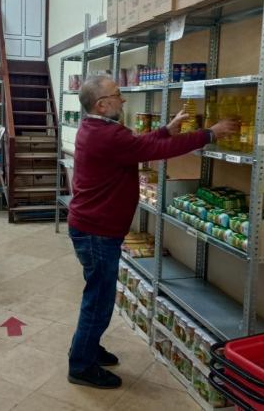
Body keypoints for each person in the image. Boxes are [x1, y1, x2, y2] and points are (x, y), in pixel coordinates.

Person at [66, 75, 239, 389]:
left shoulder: (97, 129)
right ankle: (81, 365)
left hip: (93, 228)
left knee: (98, 295)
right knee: (99, 299)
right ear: (102, 104)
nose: (123, 99)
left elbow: (139, 145)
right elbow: (151, 150)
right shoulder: (107, 135)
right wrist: (209, 134)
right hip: (96, 232)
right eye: (117, 94)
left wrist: (165, 130)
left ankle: (86, 347)